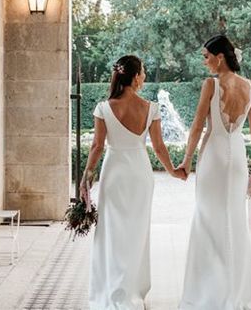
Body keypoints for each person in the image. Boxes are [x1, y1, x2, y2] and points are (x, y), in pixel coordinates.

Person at [81, 55, 186, 310]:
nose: (145, 76)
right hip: (139, 172)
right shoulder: (150, 108)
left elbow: (97, 146)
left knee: (112, 231)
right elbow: (159, 147)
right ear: (136, 76)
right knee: (137, 231)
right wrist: (173, 171)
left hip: (114, 171)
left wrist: (86, 176)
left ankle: (113, 287)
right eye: (144, 72)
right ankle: (132, 289)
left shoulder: (104, 107)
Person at [176, 35, 251, 310]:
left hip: (214, 157)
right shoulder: (249, 86)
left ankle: (210, 291)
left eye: (206, 56)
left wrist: (187, 161)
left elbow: (198, 126)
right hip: (238, 158)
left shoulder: (212, 85)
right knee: (234, 220)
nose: (205, 62)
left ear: (220, 57)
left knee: (207, 220)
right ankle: (234, 290)